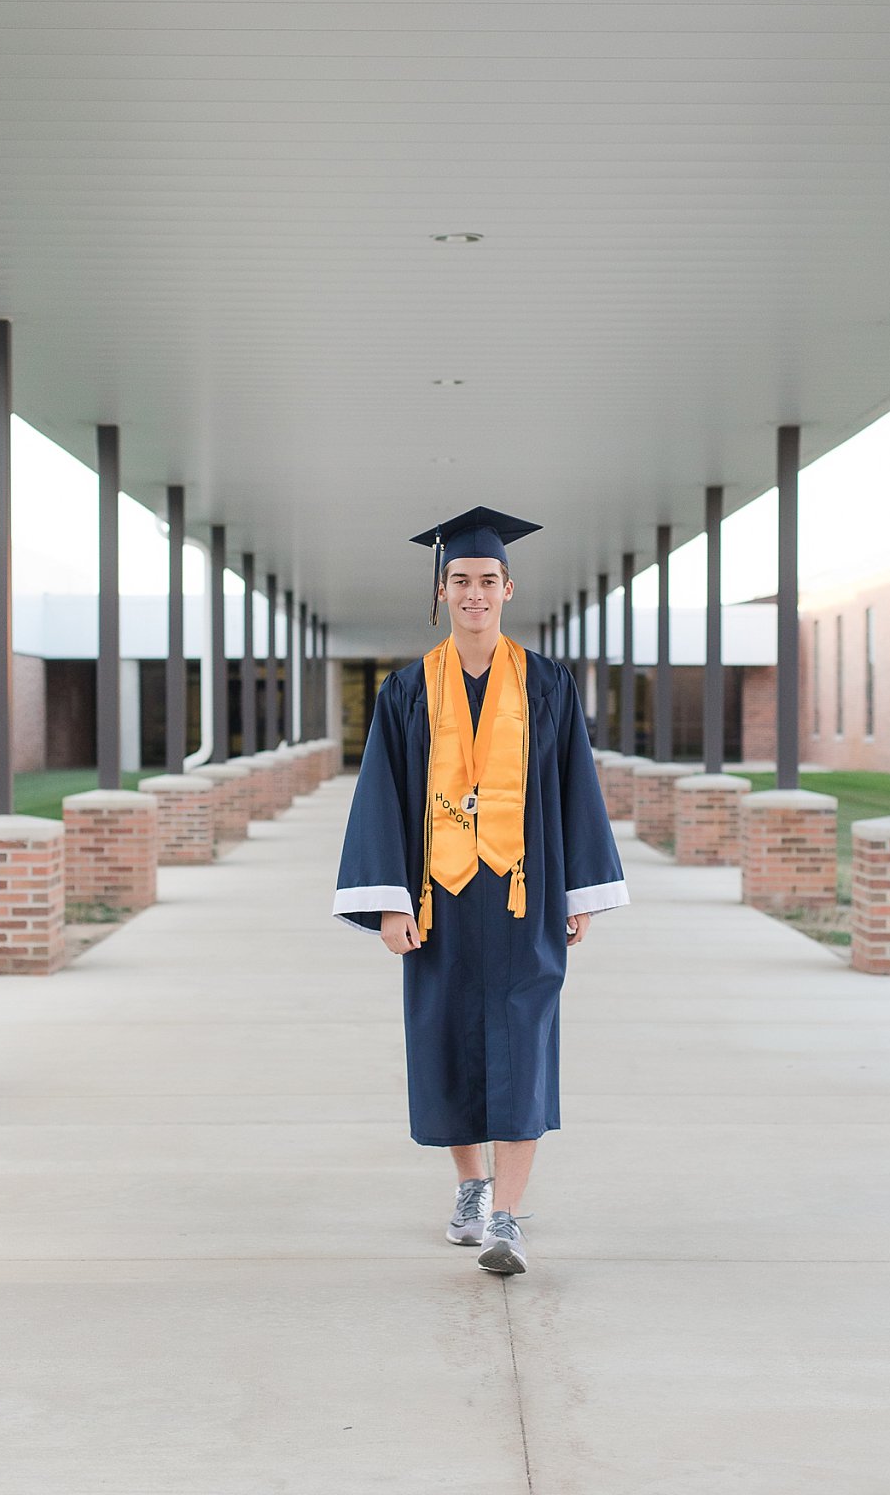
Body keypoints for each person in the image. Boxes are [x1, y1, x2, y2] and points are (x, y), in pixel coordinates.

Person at [332, 506, 625, 1276]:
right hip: (439, 902)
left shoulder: (549, 685)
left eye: (487, 580)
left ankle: (506, 1217)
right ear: (441, 591)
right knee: (447, 1041)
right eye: (460, 580)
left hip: (525, 895)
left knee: (524, 1045)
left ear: (508, 588)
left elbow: (575, 790)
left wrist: (581, 895)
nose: (474, 593)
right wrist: (390, 900)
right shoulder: (404, 693)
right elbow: (381, 798)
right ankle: (470, 1187)